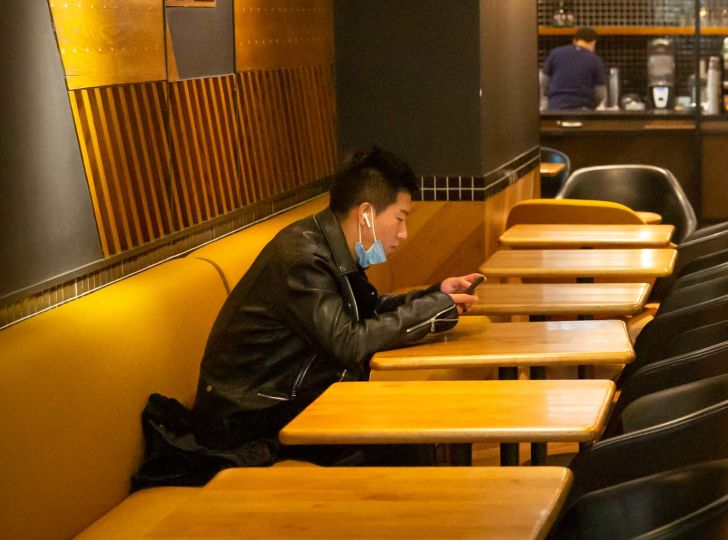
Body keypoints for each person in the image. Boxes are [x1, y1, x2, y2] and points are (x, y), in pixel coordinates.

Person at [192, 147, 482, 452]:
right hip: (245, 420)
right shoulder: (302, 259)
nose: (404, 233)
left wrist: (436, 295)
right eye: (400, 218)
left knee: (409, 423)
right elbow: (349, 342)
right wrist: (434, 309)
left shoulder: (329, 244)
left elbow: (364, 312)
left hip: (285, 401)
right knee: (402, 433)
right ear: (366, 214)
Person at [543, 26, 608, 110]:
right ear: (593, 42)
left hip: (556, 106)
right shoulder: (595, 60)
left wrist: (546, 99)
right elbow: (600, 93)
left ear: (574, 40)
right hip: (583, 108)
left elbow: (543, 81)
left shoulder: (555, 53)